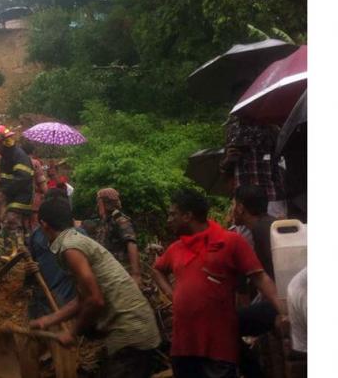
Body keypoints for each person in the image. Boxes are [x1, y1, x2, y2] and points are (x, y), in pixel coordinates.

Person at [151, 188, 286, 378]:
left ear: (188, 216)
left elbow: (260, 277)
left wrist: (283, 311)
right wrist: (173, 296)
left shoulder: (230, 242)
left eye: (173, 214)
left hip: (218, 346)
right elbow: (157, 269)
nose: (168, 220)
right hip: (183, 346)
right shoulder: (175, 249)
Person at [29, 195, 161, 378]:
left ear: (44, 225)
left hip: (130, 331)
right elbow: (82, 299)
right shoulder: (74, 240)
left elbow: (95, 300)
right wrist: (49, 320)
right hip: (134, 328)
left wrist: (72, 333)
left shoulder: (70, 248)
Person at [220, 116, 287, 218]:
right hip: (244, 200)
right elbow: (225, 172)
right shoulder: (234, 131)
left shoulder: (272, 128)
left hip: (271, 196)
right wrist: (228, 159)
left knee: (274, 231)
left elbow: (282, 159)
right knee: (245, 234)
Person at [25, 189, 76, 320]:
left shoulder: (78, 236)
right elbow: (32, 264)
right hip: (44, 295)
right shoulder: (36, 235)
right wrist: (31, 269)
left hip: (68, 299)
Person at [80, 188, 142, 287]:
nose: (97, 205)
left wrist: (136, 274)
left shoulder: (120, 220)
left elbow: (131, 243)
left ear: (104, 203)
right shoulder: (105, 221)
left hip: (122, 271)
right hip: (111, 271)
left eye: (98, 202)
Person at [0, 125, 34, 248]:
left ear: (4, 141)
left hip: (21, 198)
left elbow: (23, 178)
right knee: (22, 229)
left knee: (11, 222)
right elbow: (7, 177)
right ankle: (25, 253)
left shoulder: (18, 155)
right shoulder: (6, 156)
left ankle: (17, 254)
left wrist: (4, 188)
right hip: (13, 197)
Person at [22, 142, 48, 228]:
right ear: (33, 151)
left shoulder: (17, 163)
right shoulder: (35, 163)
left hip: (20, 200)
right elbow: (41, 183)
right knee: (35, 225)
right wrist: (48, 195)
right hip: (34, 200)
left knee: (24, 225)